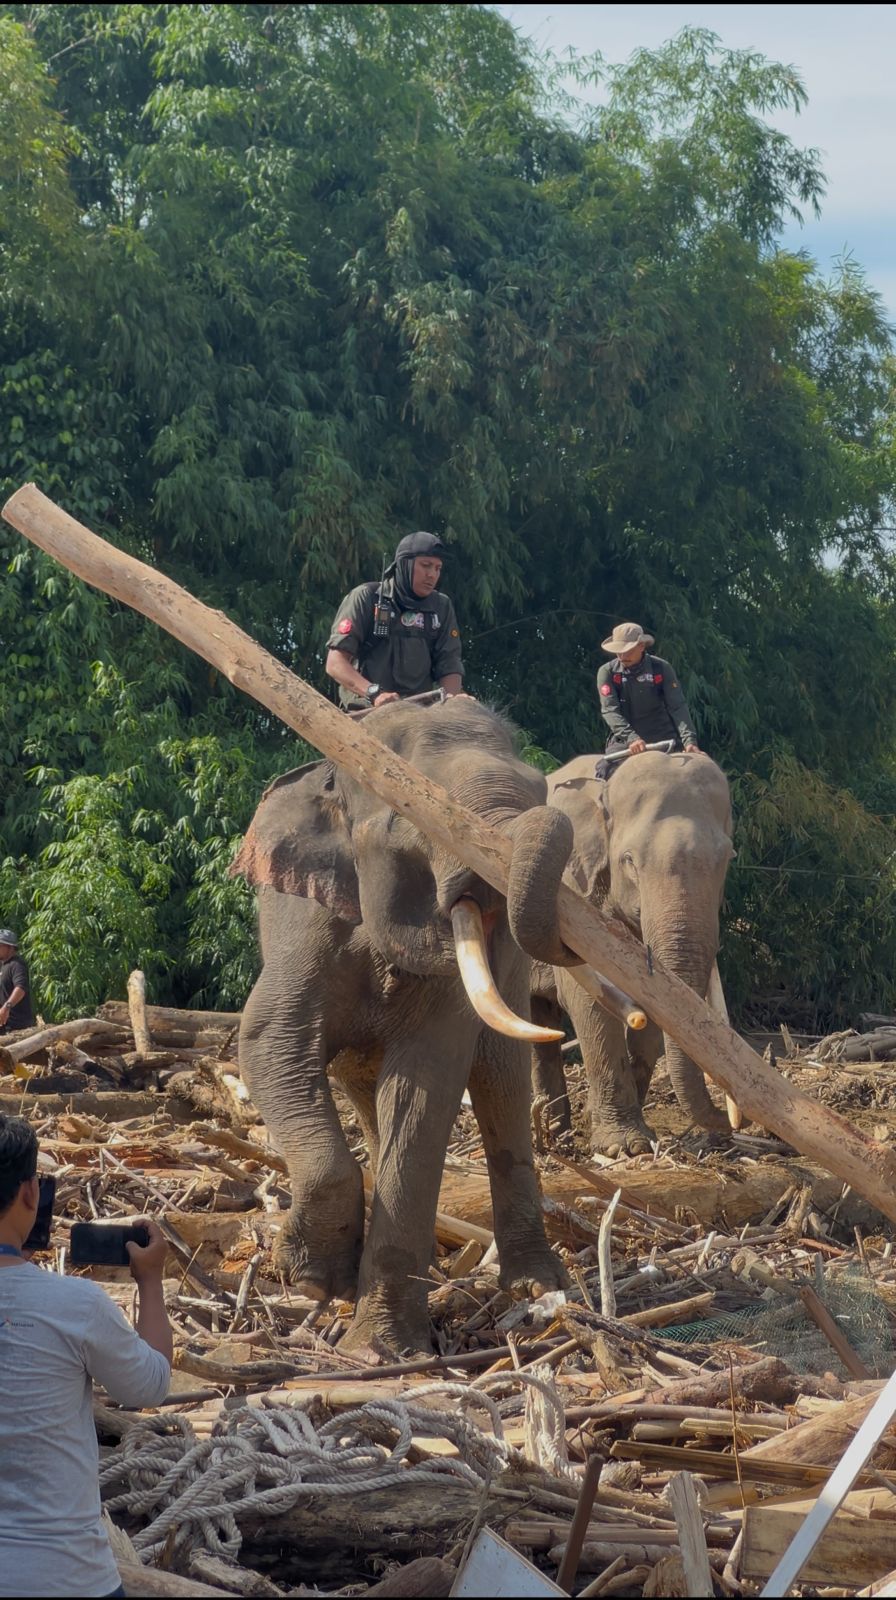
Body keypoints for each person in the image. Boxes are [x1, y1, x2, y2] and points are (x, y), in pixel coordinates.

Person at [0, 1114, 172, 1598]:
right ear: (30, 1192)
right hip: (64, 1576)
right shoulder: (75, 1305)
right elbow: (151, 1386)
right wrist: (151, 1281)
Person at [325, 530, 465, 709]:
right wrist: (374, 693)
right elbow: (335, 664)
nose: (432, 574)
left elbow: (449, 664)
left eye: (438, 568)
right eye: (426, 565)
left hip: (419, 715)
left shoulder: (441, 607)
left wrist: (452, 700)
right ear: (405, 564)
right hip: (366, 710)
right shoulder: (367, 597)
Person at [597, 622, 701, 763]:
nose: (622, 656)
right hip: (625, 741)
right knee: (604, 769)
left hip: (663, 738)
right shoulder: (607, 672)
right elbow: (610, 710)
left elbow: (677, 706)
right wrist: (632, 738)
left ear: (641, 646)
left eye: (627, 651)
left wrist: (689, 741)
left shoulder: (661, 668)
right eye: (618, 651)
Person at [0, 928, 34, 1033]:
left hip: (17, 1026)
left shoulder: (17, 965)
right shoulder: (3, 965)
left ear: (10, 947)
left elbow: (20, 988)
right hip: (4, 1025)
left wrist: (7, 1007)